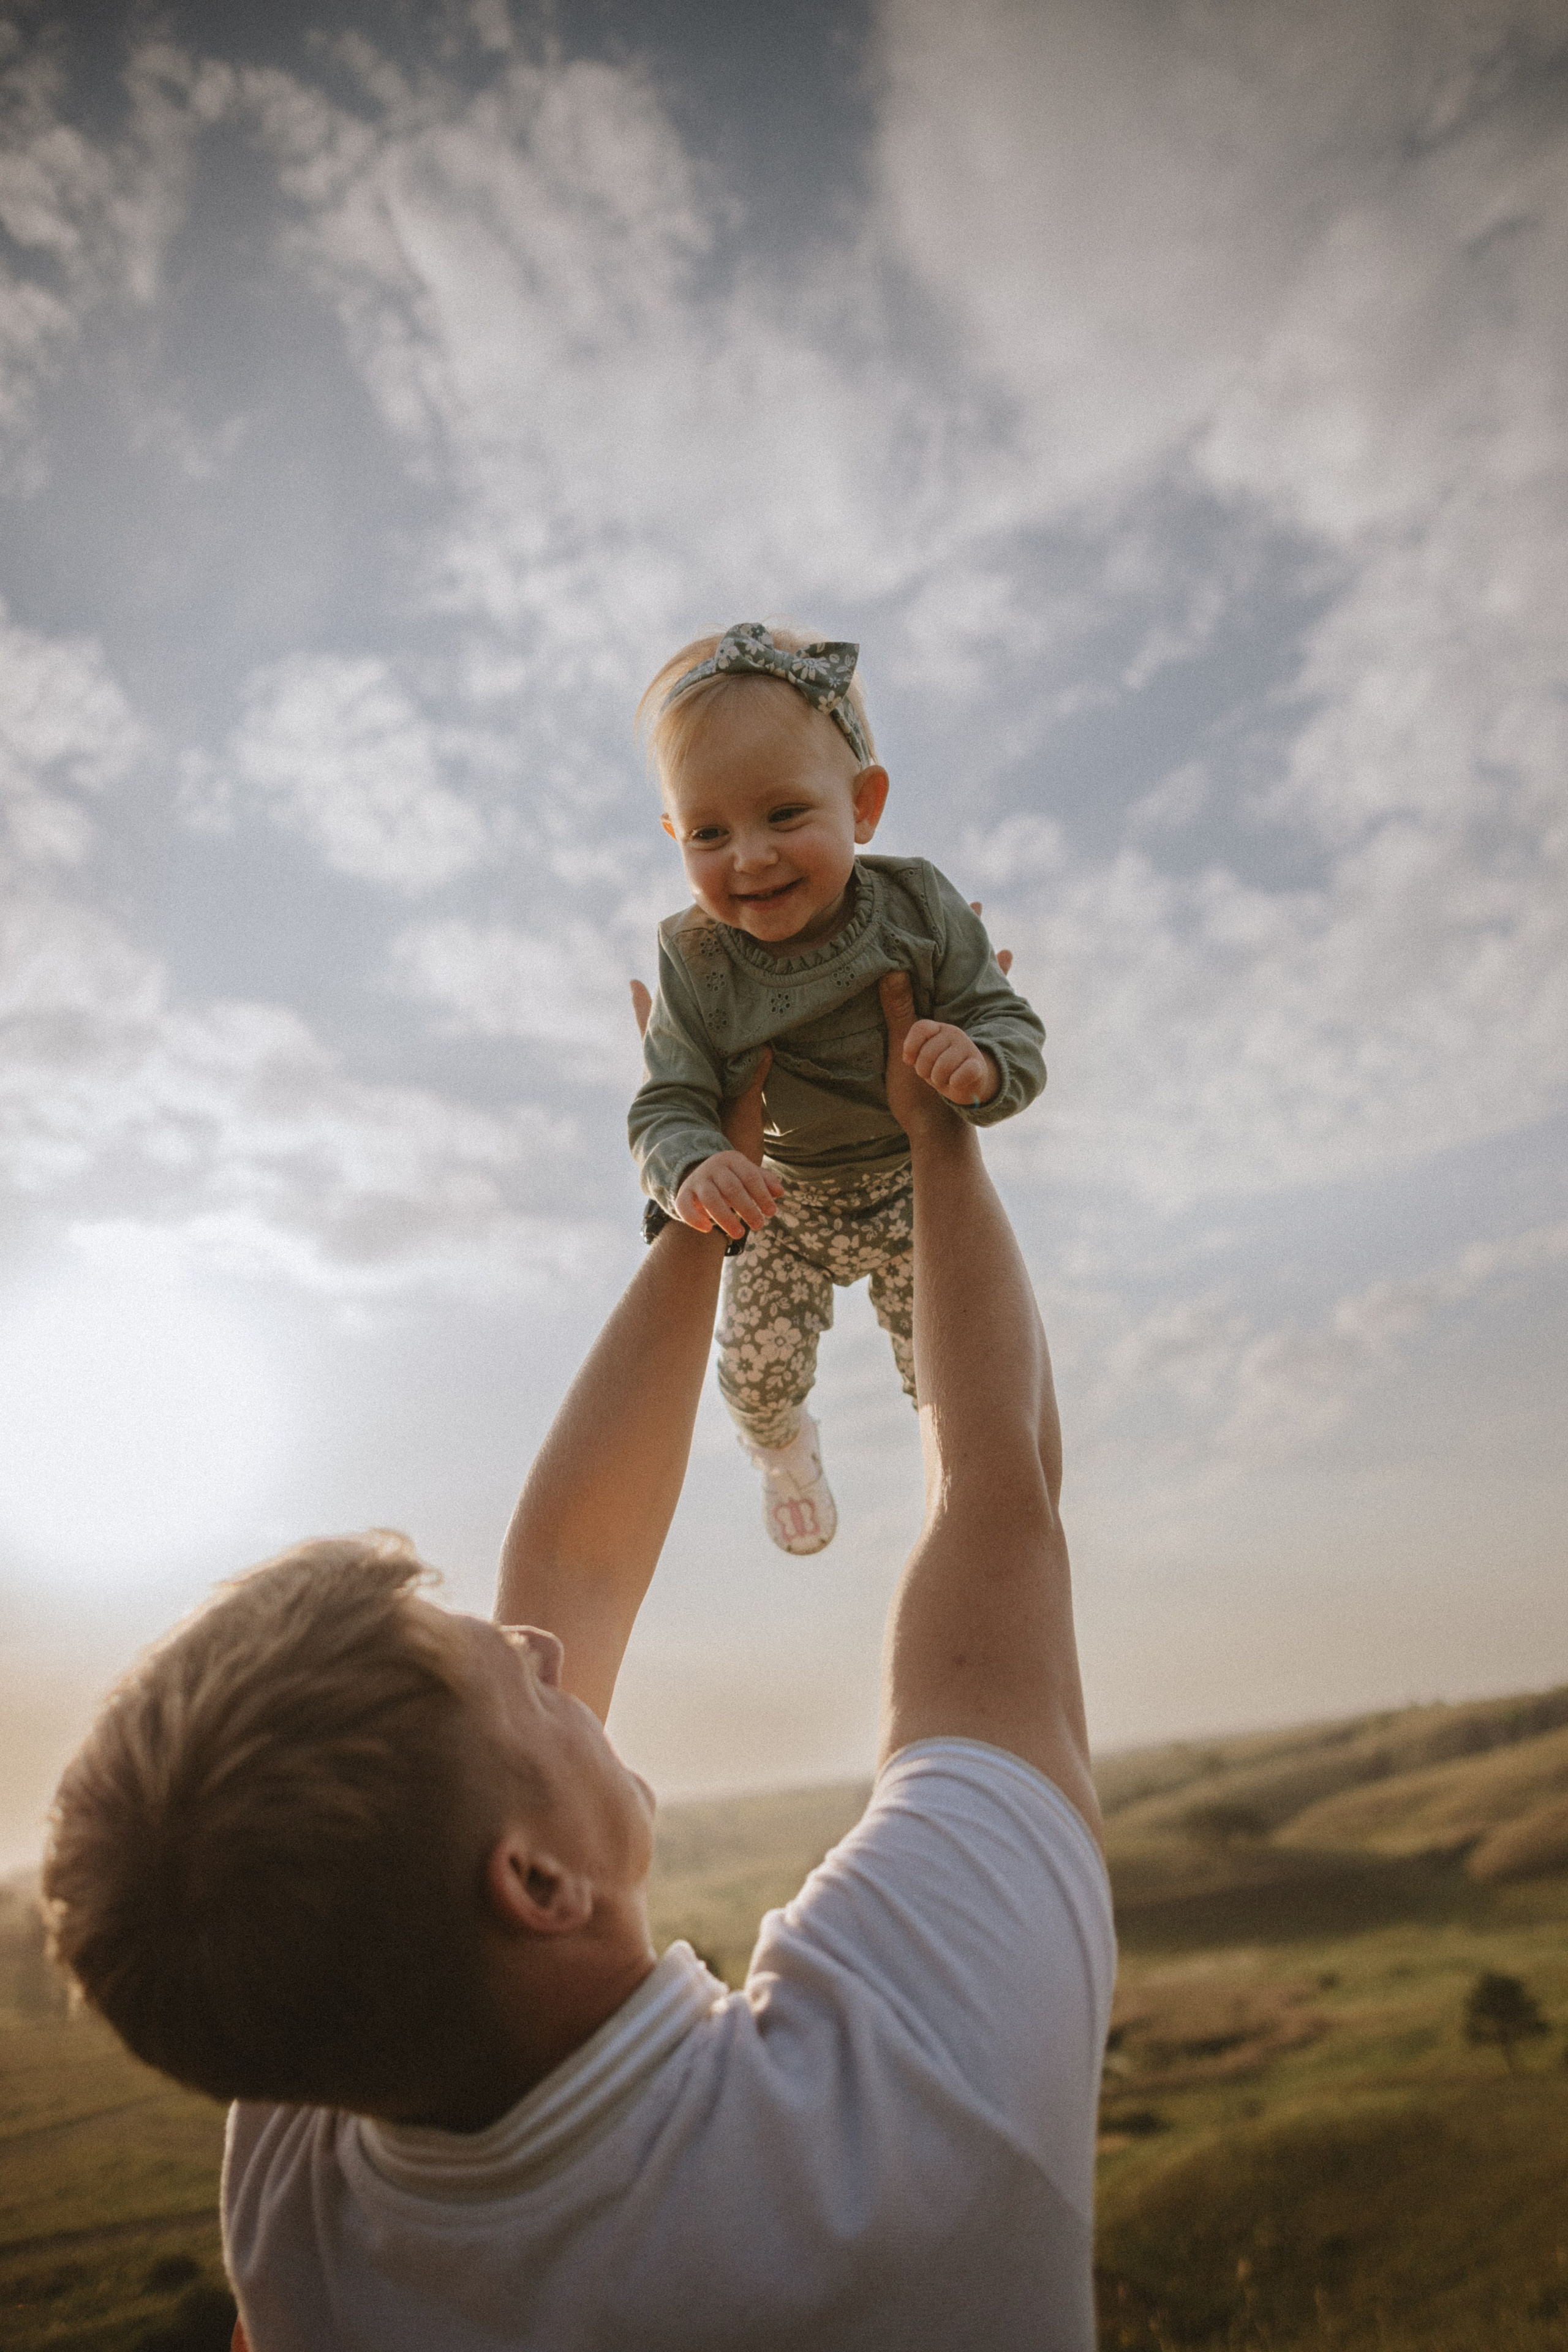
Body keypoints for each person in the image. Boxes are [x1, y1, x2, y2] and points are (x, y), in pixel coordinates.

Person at [42, 973, 1111, 2352]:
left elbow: (573, 1577)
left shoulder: (308, 2174)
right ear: (534, 1883)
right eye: (514, 1678)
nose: (539, 1640)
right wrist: (931, 1136)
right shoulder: (898, 2101)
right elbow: (997, 1496)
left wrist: (703, 1196)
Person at [630, 620, 1047, 1553]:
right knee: (754, 1373)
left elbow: (1006, 1018)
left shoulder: (917, 909)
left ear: (864, 805)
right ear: (674, 834)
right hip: (784, 1195)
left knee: (951, 1367)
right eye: (709, 831)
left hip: (911, 1186)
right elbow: (667, 1102)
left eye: (785, 816)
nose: (749, 856)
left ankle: (965, 1494)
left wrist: (980, 1065)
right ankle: (782, 1452)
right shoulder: (694, 960)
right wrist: (693, 1165)